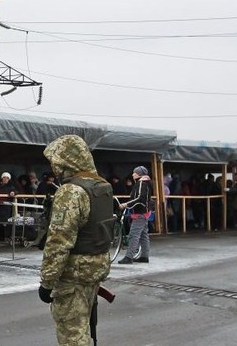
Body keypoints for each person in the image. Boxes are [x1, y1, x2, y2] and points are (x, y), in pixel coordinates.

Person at [39, 135, 114, 346]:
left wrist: (47, 281)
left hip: (74, 272)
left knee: (72, 333)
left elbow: (59, 241)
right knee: (83, 328)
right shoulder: (102, 186)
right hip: (95, 267)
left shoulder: (71, 190)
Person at [119, 165, 153, 264]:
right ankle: (144, 256)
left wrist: (126, 204)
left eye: (134, 172)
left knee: (134, 235)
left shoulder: (141, 183)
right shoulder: (146, 182)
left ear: (139, 174)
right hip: (145, 211)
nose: (133, 174)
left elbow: (139, 198)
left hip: (139, 212)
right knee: (143, 234)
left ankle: (129, 257)